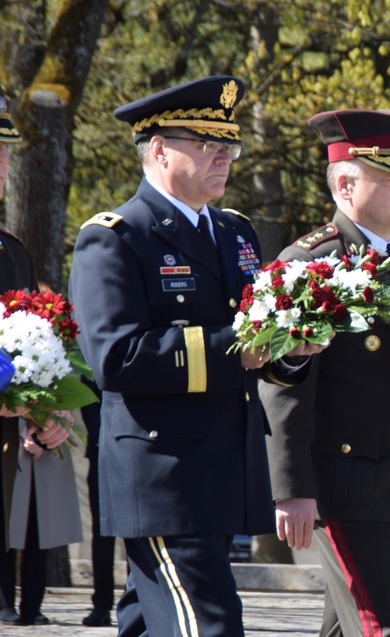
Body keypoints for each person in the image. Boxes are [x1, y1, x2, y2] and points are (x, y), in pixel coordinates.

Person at [68, 75, 322, 637]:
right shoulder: (116, 237)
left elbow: (262, 347)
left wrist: (295, 352)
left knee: (150, 620)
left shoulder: (237, 233)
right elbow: (116, 356)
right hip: (163, 479)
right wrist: (242, 349)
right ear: (158, 150)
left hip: (222, 473)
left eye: (229, 146)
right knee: (208, 625)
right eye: (208, 145)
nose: (225, 158)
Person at [258, 108, 390, 637]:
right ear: (345, 183)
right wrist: (292, 488)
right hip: (348, 486)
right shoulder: (310, 262)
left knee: (348, 629)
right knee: (388, 628)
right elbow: (284, 383)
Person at [0, 83, 71, 555]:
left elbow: (29, 353)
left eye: (4, 151)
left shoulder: (12, 254)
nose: (2, 164)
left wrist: (49, 412)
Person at [0, 418, 83, 625]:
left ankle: (32, 606)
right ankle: (4, 604)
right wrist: (21, 432)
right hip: (8, 443)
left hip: (47, 447)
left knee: (39, 531)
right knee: (6, 529)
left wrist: (40, 433)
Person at [80, 378, 116, 627]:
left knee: (143, 534)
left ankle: (143, 601)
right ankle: (102, 603)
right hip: (102, 453)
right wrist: (106, 442)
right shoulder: (98, 351)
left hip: (141, 451)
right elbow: (88, 402)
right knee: (103, 533)